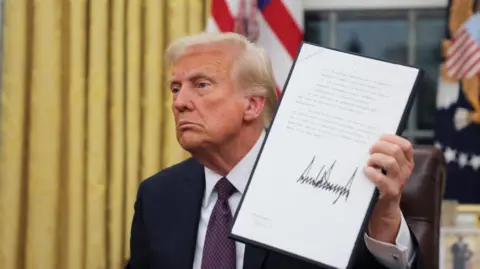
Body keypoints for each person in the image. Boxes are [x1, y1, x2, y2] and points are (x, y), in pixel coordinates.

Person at [126, 32, 423, 269]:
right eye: (176, 89)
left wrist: (384, 216)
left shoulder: (322, 178)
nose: (180, 103)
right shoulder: (157, 195)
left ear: (252, 105)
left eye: (201, 85)